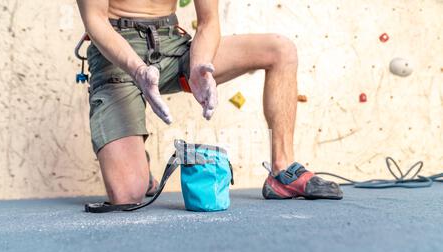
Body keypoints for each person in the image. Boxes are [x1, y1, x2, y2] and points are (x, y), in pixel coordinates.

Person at [76, 0, 343, 205]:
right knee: (127, 196)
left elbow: (208, 22)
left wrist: (198, 67)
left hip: (171, 43)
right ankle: (139, 169)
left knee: (280, 50)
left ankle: (282, 171)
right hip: (116, 53)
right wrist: (138, 69)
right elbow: (95, 20)